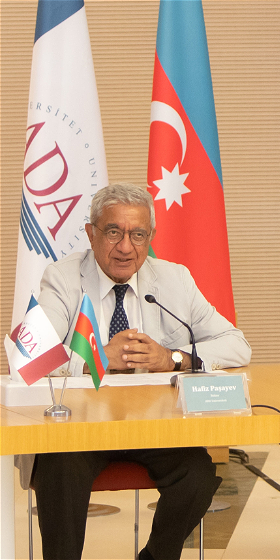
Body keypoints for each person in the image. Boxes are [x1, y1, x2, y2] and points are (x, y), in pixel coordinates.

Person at [17, 182, 251, 560]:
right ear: (91, 234)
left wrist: (173, 358)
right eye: (113, 232)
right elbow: (33, 354)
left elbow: (237, 344)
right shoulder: (62, 278)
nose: (126, 247)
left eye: (138, 235)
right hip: (81, 427)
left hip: (154, 423)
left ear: (150, 237)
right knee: (58, 468)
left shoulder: (173, 279)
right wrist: (97, 358)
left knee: (197, 476)